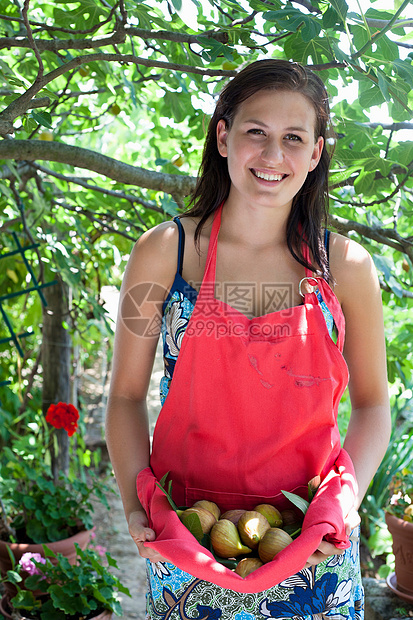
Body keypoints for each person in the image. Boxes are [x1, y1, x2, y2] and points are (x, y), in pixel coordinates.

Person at [106, 59, 391, 619]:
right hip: (189, 539)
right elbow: (123, 396)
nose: (272, 156)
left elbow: (374, 404)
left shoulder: (347, 269)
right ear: (222, 137)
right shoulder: (164, 253)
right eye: (255, 132)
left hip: (314, 545)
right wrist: (135, 503)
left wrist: (344, 503)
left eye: (293, 139)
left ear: (315, 153)